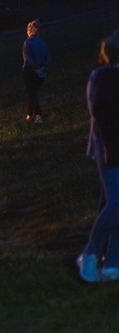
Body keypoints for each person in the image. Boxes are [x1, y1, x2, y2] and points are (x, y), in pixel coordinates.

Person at [77, 30, 119, 282]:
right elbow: (104, 115)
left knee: (115, 204)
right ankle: (90, 255)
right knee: (116, 204)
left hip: (110, 145)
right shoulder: (104, 76)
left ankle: (112, 264)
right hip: (110, 147)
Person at [22, 19, 50, 124]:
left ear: (29, 31)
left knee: (32, 93)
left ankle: (38, 116)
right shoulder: (42, 43)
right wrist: (44, 68)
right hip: (42, 71)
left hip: (30, 70)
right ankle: (29, 115)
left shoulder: (27, 42)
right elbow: (48, 57)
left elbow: (28, 58)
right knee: (33, 93)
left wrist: (35, 68)